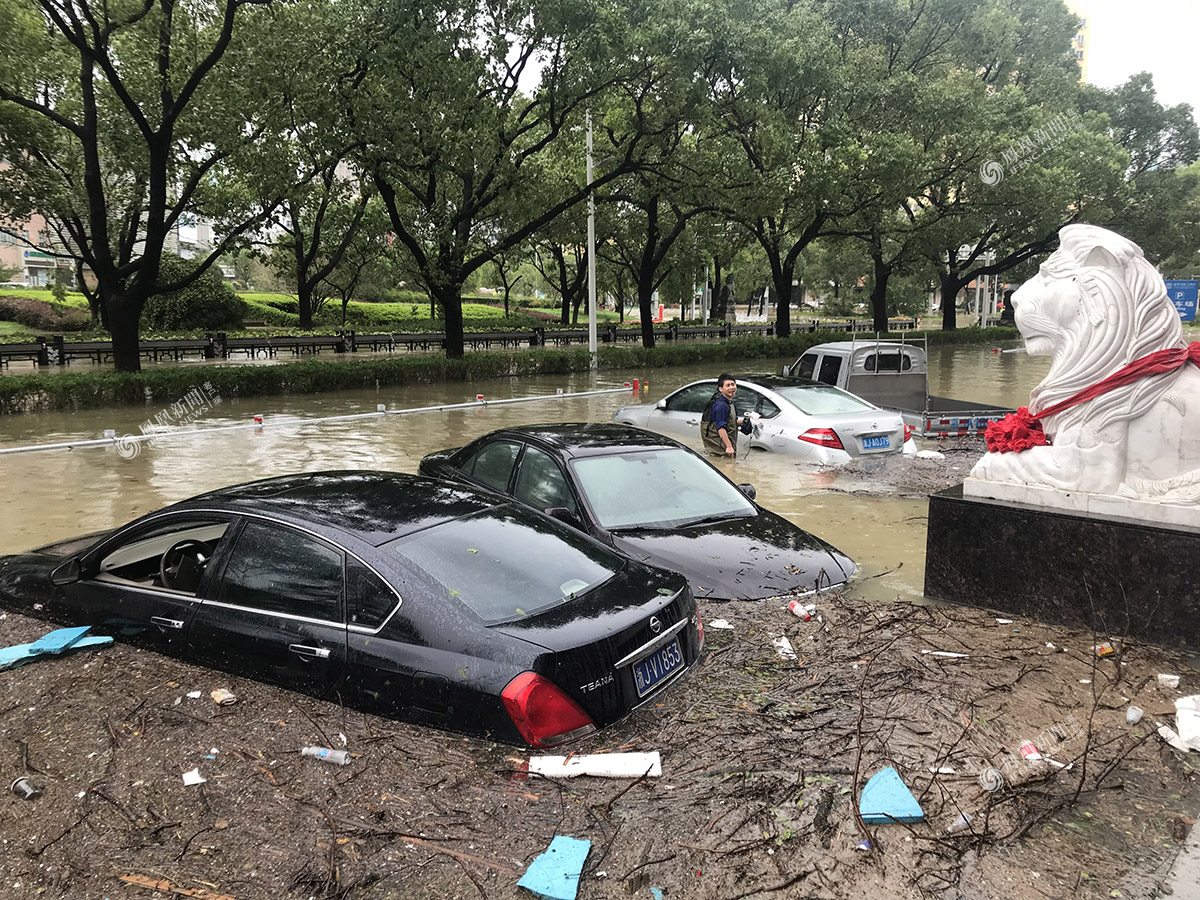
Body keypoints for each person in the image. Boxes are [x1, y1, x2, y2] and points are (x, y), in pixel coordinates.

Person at [701, 373, 747, 458]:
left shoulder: (730, 403)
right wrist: (729, 447)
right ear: (721, 389)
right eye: (728, 385)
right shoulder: (720, 406)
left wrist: (746, 420)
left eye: (733, 384)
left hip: (725, 447)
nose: (731, 388)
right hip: (719, 451)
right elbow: (720, 428)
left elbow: (732, 422)